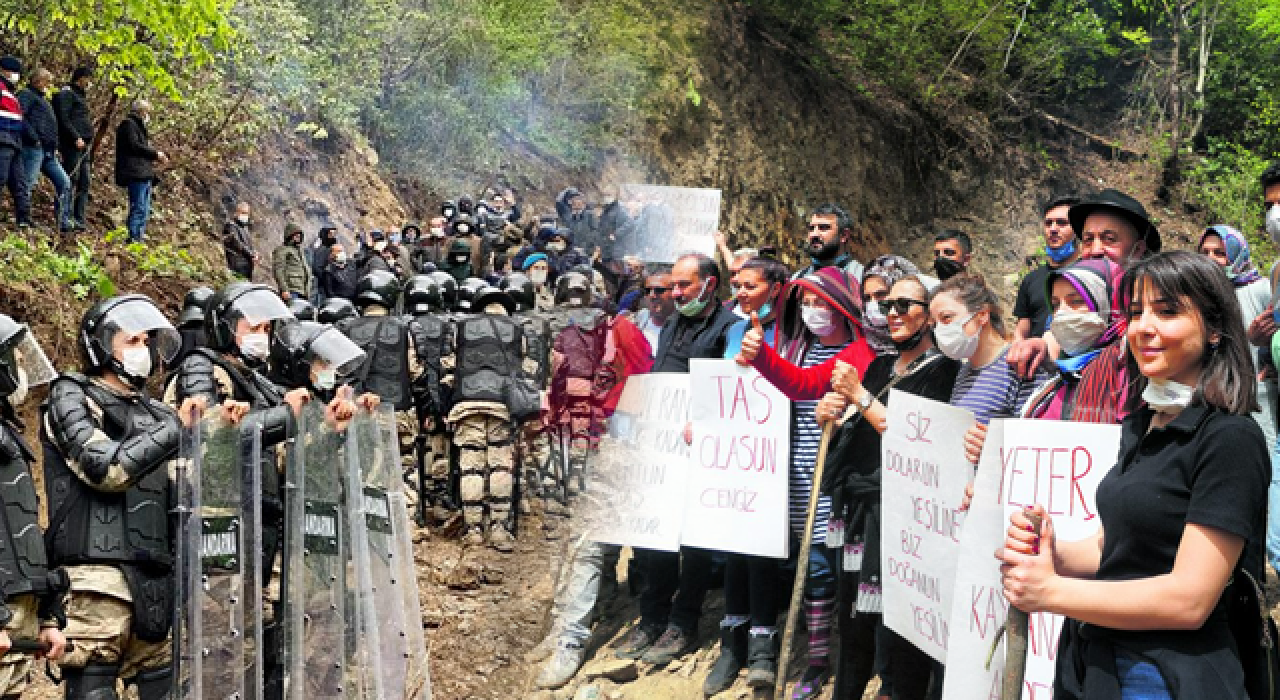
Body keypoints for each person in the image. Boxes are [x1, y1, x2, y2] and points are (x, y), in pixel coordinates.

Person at [997, 251, 1268, 700]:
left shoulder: (1229, 439)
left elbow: (1189, 600)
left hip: (1164, 676)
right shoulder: (1144, 424)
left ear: (1215, 329)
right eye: (1136, 312)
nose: (1144, 327)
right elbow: (1113, 547)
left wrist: (1049, 591)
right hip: (1096, 660)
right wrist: (1050, 551)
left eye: (1167, 311)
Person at [43, 295, 207, 700]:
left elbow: (187, 500)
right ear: (100, 346)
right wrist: (176, 430)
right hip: (95, 588)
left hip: (157, 583)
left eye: (149, 341)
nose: (144, 350)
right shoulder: (71, 395)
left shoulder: (160, 414)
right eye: (132, 340)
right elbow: (106, 470)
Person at [812, 276, 960, 700]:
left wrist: (857, 395)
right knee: (851, 620)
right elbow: (858, 428)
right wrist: (833, 416)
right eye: (885, 305)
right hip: (856, 511)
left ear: (928, 314)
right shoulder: (879, 367)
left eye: (903, 304)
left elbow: (913, 439)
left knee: (897, 630)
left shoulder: (944, 373)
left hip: (898, 516)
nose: (891, 313)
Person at [168, 282, 309, 698]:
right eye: (253, 326)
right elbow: (209, 435)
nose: (261, 335)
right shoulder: (201, 368)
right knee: (217, 645)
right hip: (215, 522)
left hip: (257, 518)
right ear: (225, 327)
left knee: (250, 640)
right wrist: (286, 417)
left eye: (267, 328)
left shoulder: (254, 379)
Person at [616, 253, 738, 665]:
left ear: (710, 284)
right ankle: (651, 618)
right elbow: (657, 376)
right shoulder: (671, 325)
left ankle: (683, 623)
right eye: (674, 286)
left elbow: (728, 390)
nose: (676, 292)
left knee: (695, 542)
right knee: (655, 539)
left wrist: (702, 421)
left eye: (684, 285)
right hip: (660, 448)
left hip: (699, 449)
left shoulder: (727, 329)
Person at [703, 256, 790, 696]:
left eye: (750, 286)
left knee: (763, 553)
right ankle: (731, 644)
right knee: (734, 548)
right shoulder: (732, 330)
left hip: (777, 458)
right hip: (737, 457)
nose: (740, 294)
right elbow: (722, 386)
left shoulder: (793, 334)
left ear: (775, 288)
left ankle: (762, 647)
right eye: (736, 285)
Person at [1008, 189, 1161, 383]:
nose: (1096, 251)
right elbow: (1056, 339)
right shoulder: (1074, 291)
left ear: (1138, 249)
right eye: (1088, 240)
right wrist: (1040, 346)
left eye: (1109, 239)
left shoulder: (1156, 302)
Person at [0, 316, 68, 697]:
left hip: (17, 623)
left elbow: (23, 537)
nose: (21, 368)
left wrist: (47, 617)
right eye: (14, 358)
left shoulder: (8, 437)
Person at [930, 274, 1046, 464]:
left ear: (982, 315)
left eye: (947, 318)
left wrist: (995, 448)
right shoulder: (964, 372)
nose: (939, 330)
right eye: (934, 324)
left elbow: (1037, 442)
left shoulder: (1019, 362)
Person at [1018, 258, 1129, 424]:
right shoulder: (1058, 380)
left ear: (1108, 304)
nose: (1061, 312)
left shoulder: (1127, 379)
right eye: (1055, 304)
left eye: (1076, 301)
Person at [1013, 196, 1082, 342]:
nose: (1053, 229)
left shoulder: (1089, 275)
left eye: (1062, 223)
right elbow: (1021, 331)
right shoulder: (1031, 280)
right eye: (1048, 223)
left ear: (1079, 229)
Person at [18, 68, 71, 232]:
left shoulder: (42, 99)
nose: (48, 85)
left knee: (64, 182)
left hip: (48, 151)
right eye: (47, 82)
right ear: (39, 81)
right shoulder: (26, 94)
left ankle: (62, 221)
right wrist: (34, 139)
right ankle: (23, 219)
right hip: (34, 149)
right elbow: (21, 116)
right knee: (28, 183)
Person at [113, 100, 166, 242]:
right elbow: (134, 146)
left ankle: (139, 237)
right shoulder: (128, 124)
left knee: (144, 209)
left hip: (143, 173)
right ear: (141, 112)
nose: (148, 115)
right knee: (138, 207)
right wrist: (155, 154)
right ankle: (133, 238)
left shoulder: (137, 126)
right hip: (135, 173)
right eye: (147, 112)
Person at [52, 66, 92, 231]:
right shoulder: (66, 94)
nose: (90, 83)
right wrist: (76, 137)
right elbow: (63, 118)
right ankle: (63, 216)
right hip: (72, 144)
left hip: (84, 146)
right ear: (80, 78)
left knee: (85, 181)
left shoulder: (80, 96)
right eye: (88, 79)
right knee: (70, 179)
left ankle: (79, 219)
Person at [860, 255, 920, 356]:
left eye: (881, 294)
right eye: (867, 298)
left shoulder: (938, 344)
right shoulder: (864, 355)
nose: (872, 304)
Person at [792, 204, 864, 282]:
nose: (814, 234)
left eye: (823, 227)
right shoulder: (797, 278)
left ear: (844, 235)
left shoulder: (861, 277)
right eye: (811, 228)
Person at [0, 56, 31, 227]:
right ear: (5, 71)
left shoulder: (11, 94)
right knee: (1, 178)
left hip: (15, 142)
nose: (16, 75)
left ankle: (24, 219)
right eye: (14, 72)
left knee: (20, 183)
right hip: (3, 140)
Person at [631, 272, 675, 354]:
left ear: (674, 293)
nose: (652, 295)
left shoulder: (685, 329)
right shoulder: (636, 321)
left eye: (659, 290)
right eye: (648, 291)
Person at [272, 223, 313, 301]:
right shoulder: (282, 250)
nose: (298, 237)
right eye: (295, 235)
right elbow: (278, 271)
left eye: (299, 235)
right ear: (289, 236)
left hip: (303, 291)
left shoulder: (299, 251)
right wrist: (284, 289)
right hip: (291, 291)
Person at [223, 201, 257, 279]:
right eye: (243, 212)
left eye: (247, 213)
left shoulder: (245, 228)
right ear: (237, 212)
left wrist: (255, 253)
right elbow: (236, 243)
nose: (245, 215)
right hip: (236, 266)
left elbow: (249, 245)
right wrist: (252, 254)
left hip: (247, 267)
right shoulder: (230, 226)